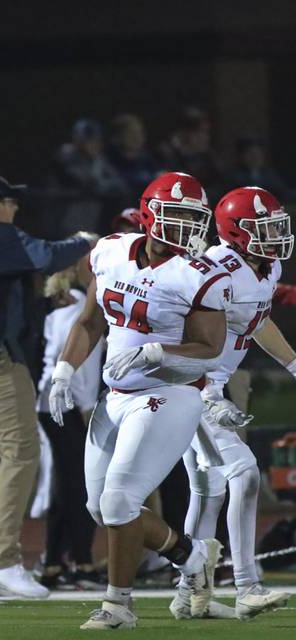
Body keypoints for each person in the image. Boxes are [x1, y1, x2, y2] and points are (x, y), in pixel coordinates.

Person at [50, 172, 229, 630]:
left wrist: (156, 351)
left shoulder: (199, 274)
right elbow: (90, 322)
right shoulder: (110, 251)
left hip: (170, 393)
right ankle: (190, 556)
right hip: (117, 395)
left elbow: (209, 348)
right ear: (150, 214)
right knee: (102, 507)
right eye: (179, 216)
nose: (190, 227)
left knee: (119, 501)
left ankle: (118, 606)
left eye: (196, 217)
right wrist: (64, 372)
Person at [0, 173, 93, 599]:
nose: (16, 208)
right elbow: (46, 256)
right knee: (21, 453)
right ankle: (2, 561)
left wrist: (40, 305)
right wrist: (84, 240)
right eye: (11, 201)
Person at [173, 186, 293, 620]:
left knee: (208, 491)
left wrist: (295, 363)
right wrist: (206, 391)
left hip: (207, 386)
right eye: (265, 227)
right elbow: (181, 331)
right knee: (243, 474)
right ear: (236, 232)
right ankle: (247, 585)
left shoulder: (266, 267)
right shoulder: (216, 269)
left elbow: (257, 321)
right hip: (187, 384)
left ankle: (189, 596)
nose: (276, 235)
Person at [35, 255, 103, 590]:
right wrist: (87, 407)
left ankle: (52, 562)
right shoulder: (79, 308)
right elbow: (79, 363)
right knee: (81, 485)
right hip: (67, 404)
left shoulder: (62, 308)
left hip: (52, 403)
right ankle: (83, 561)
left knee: (66, 484)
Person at [158, 107, 222, 196]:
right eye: (202, 132)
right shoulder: (165, 155)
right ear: (186, 132)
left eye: (207, 133)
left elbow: (220, 185)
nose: (206, 138)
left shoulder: (208, 156)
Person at [106, 114, 159, 198]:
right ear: (117, 137)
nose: (138, 137)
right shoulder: (107, 159)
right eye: (131, 133)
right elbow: (121, 185)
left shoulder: (146, 159)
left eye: (140, 132)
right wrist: (152, 180)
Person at [225, 136, 291, 198]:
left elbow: (283, 191)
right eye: (250, 154)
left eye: (258, 154)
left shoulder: (268, 173)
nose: (255, 158)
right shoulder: (234, 175)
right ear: (242, 156)